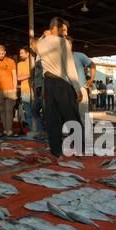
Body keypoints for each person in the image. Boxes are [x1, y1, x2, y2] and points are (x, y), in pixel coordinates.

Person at [36, 17, 83, 158]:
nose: (65, 32)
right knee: (72, 117)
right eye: (63, 29)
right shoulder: (63, 42)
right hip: (63, 83)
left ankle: (56, 151)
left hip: (48, 83)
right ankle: (79, 148)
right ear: (55, 28)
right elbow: (70, 68)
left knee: (52, 119)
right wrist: (77, 88)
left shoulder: (40, 43)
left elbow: (37, 42)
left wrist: (45, 34)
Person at [66, 36, 96, 122]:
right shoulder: (59, 58)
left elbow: (92, 65)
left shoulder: (79, 55)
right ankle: (73, 132)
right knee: (69, 113)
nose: (67, 46)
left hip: (81, 87)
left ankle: (87, 133)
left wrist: (91, 79)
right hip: (66, 89)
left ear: (71, 45)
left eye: (69, 43)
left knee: (83, 113)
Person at [0, 45, 17, 137]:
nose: (1, 55)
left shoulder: (11, 61)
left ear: (5, 52)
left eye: (2, 53)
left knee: (9, 110)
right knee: (2, 111)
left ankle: (9, 130)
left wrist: (15, 89)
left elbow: (14, 77)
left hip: (10, 90)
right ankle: (5, 129)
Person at [17, 47, 33, 132]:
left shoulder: (33, 63)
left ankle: (40, 130)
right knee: (28, 112)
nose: (20, 55)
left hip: (34, 91)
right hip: (25, 91)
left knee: (36, 112)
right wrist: (29, 75)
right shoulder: (20, 64)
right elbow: (19, 78)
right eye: (20, 53)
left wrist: (25, 75)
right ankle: (31, 130)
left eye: (22, 53)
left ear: (27, 54)